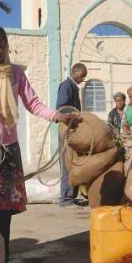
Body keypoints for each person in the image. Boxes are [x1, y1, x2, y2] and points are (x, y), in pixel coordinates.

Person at [0, 25, 79, 262]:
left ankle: (2, 261)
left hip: (8, 149)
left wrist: (60, 116)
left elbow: (33, 104)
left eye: (0, 45)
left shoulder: (16, 73)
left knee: (4, 211)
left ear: (7, 46)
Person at [56, 62, 87, 206]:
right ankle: (66, 199)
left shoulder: (73, 87)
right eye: (82, 76)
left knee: (74, 162)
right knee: (67, 163)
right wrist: (74, 115)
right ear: (76, 72)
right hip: (66, 129)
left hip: (73, 130)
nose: (83, 79)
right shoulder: (66, 85)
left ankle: (72, 196)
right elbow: (62, 107)